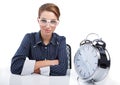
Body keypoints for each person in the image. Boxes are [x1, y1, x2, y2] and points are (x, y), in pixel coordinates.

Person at [10, 3, 68, 76]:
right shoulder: (29, 38)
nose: (48, 26)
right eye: (44, 21)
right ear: (38, 20)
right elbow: (15, 66)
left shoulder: (61, 40)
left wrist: (32, 69)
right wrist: (50, 62)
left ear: (57, 23)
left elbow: (62, 70)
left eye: (53, 22)